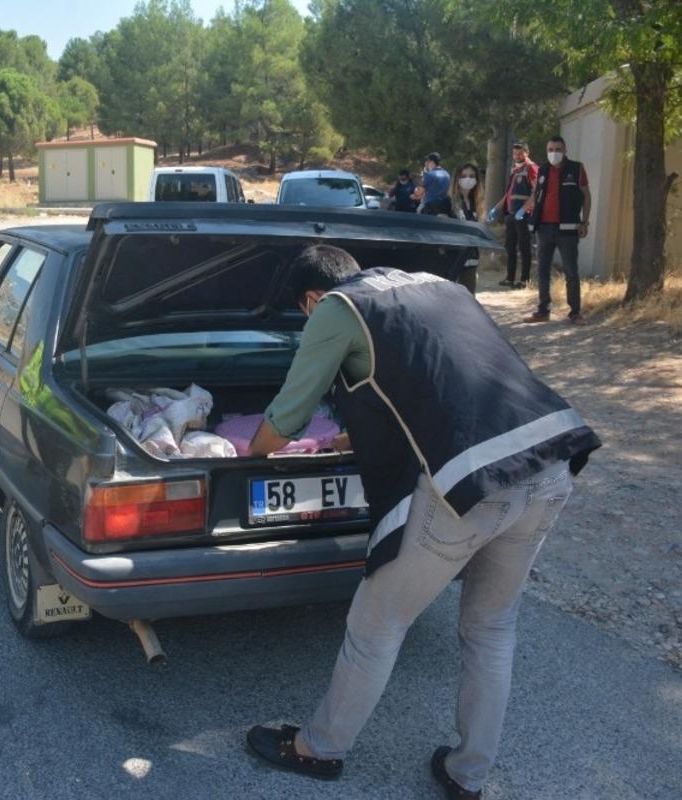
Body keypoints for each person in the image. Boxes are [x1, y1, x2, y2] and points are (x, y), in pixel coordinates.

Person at [243, 245, 601, 797]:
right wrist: (350, 438)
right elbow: (441, 385)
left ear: (311, 298)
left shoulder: (338, 307)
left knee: (377, 623)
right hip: (551, 457)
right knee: (491, 628)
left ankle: (319, 748)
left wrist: (249, 453)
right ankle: (467, 774)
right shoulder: (437, 285)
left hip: (474, 482)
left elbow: (288, 417)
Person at [523, 136, 591, 325]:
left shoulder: (576, 169)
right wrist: (525, 211)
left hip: (567, 230)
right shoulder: (543, 169)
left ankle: (575, 312)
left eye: (558, 149)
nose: (554, 153)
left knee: (571, 272)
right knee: (542, 271)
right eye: (551, 150)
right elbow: (537, 194)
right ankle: (543, 311)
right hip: (543, 229)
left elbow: (586, 196)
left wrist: (585, 222)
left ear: (565, 150)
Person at [490, 143, 537, 289]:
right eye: (515, 153)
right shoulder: (515, 170)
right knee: (510, 247)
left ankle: (524, 280)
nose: (517, 156)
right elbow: (509, 194)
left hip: (523, 215)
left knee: (524, 247)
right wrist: (496, 208)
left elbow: (537, 192)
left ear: (527, 153)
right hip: (511, 214)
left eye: (520, 153)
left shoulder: (531, 168)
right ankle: (510, 278)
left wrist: (523, 209)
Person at [450, 162, 484, 294]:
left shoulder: (477, 202)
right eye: (463, 176)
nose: (468, 179)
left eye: (471, 176)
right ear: (457, 178)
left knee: (469, 296)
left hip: (471, 257)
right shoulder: (448, 201)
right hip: (453, 258)